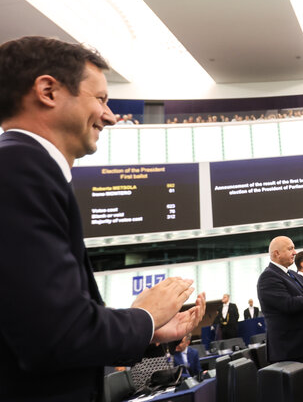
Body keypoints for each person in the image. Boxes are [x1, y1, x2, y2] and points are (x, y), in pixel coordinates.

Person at [0, 36, 205, 401]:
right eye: (101, 99)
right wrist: (142, 317)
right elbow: (55, 335)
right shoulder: (21, 169)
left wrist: (149, 330)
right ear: (48, 91)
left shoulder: (24, 168)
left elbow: (44, 322)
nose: (110, 116)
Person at [257, 236, 303, 363]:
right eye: (290, 249)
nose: (295, 252)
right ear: (277, 253)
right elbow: (289, 304)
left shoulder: (292, 274)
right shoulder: (268, 277)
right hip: (290, 351)